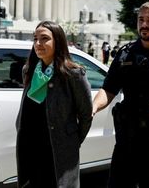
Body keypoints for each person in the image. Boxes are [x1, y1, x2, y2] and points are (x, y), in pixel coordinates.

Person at [92, 1, 149, 188]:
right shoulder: (124, 53)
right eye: (141, 19)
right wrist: (93, 107)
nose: (144, 25)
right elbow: (109, 88)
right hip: (127, 140)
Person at [16, 20, 93, 188]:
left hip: (58, 153)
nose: (38, 43)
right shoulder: (29, 71)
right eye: (35, 39)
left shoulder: (73, 74)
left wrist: (70, 141)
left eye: (44, 39)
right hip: (31, 150)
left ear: (58, 41)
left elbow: (86, 114)